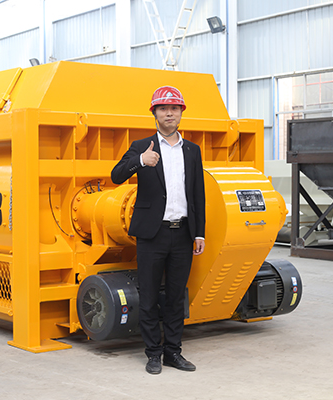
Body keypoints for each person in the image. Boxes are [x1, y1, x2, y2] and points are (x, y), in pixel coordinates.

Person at [111, 86, 206, 375]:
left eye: (174, 108)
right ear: (154, 113)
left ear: (181, 113)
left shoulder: (192, 150)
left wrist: (199, 232)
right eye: (164, 108)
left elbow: (198, 194)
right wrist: (140, 161)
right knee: (150, 296)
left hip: (183, 233)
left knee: (176, 297)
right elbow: (116, 175)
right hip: (152, 235)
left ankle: (173, 352)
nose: (169, 113)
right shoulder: (142, 146)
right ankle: (153, 353)